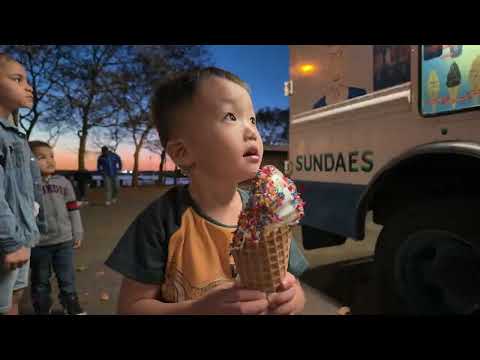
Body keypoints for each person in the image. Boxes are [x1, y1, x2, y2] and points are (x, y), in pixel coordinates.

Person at [105, 67, 309, 315]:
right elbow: (130, 307)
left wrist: (295, 297)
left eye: (252, 119)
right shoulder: (161, 221)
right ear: (182, 152)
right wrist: (197, 310)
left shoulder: (269, 208)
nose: (252, 131)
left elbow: (291, 282)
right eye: (230, 117)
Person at [0, 53, 47, 315]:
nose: (28, 86)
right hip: (7, 240)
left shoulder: (15, 133)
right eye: (17, 79)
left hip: (20, 236)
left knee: (15, 296)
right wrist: (11, 242)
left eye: (27, 80)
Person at [29, 141, 86, 315]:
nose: (49, 160)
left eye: (51, 156)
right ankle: (42, 307)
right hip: (39, 244)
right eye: (42, 157)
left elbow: (73, 209)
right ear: (28, 160)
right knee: (40, 280)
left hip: (64, 241)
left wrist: (77, 231)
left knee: (67, 277)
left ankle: (71, 305)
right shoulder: (28, 185)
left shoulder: (64, 182)